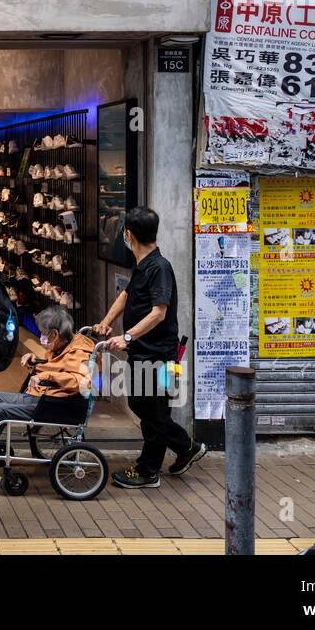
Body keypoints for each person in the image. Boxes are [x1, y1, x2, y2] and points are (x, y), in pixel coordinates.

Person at [92, 206, 206, 489]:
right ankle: (186, 447)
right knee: (143, 405)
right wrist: (106, 322)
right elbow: (127, 295)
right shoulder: (143, 265)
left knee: (155, 412)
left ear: (128, 234)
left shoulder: (160, 268)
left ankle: (148, 471)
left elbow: (159, 312)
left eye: (123, 231)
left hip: (160, 355)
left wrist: (127, 337)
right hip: (144, 353)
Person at [0, 307, 92, 513]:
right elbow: (53, 366)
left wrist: (45, 376)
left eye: (42, 333)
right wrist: (35, 364)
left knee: (1, 410)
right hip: (37, 397)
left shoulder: (80, 352)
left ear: (55, 334)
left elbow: (79, 381)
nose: (40, 336)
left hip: (51, 404)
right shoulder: (61, 345)